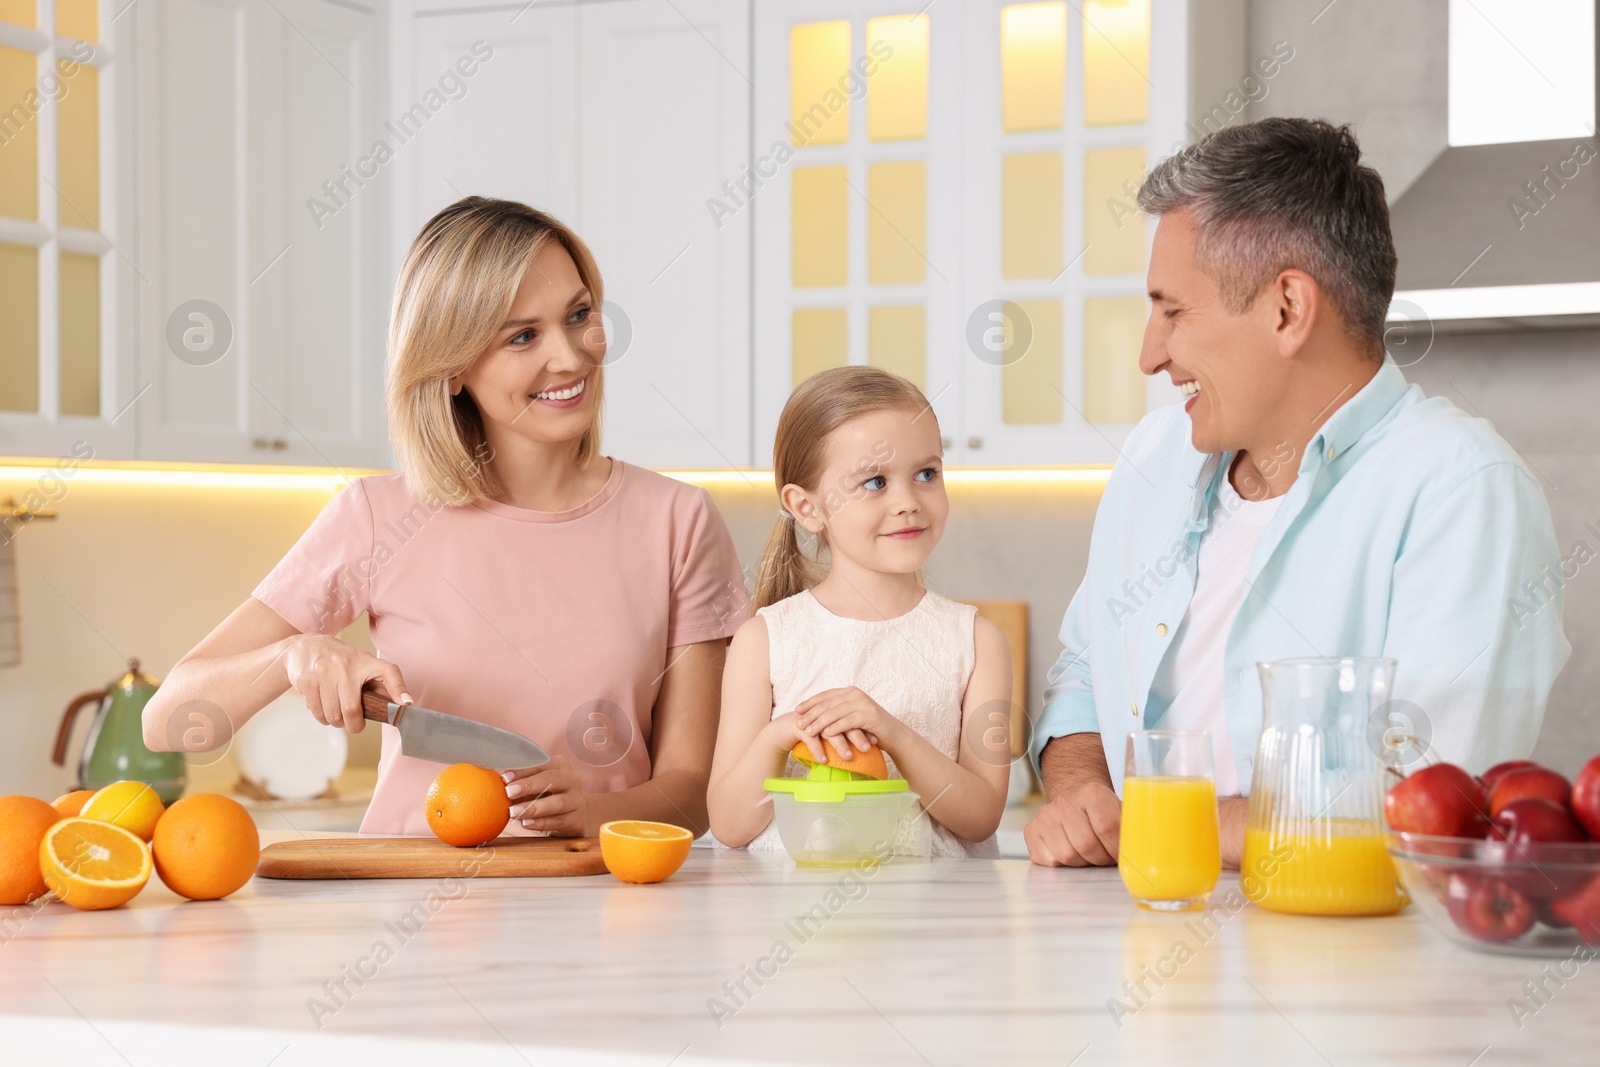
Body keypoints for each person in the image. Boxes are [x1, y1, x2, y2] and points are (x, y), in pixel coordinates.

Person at [1024, 118, 1571, 868]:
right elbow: (1084, 676)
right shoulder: (1156, 455)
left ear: (1287, 309)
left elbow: (1431, 798)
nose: (1152, 354)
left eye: (1173, 310)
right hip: (1132, 928)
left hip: (1345, 960)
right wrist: (1079, 788)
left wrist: (1167, 823)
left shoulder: (1462, 492)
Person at [143, 197, 750, 837]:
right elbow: (169, 720)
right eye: (522, 336)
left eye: (579, 316)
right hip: (412, 908)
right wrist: (294, 656)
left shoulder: (678, 521)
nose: (571, 358)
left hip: (605, 903)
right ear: (453, 366)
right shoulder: (377, 517)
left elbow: (693, 792)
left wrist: (589, 814)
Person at [708, 367, 1011, 858]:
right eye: (875, 481)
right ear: (807, 508)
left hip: (932, 917)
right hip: (788, 911)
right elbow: (728, 823)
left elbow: (980, 818)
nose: (908, 502)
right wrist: (783, 734)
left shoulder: (978, 641)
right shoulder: (764, 641)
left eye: (926, 474)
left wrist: (895, 734)